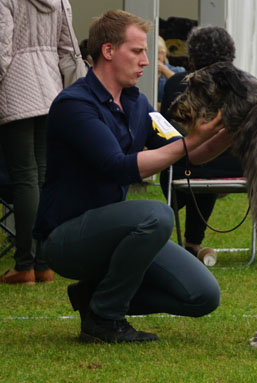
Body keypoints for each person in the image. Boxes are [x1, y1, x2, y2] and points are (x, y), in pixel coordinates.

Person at [33, 10, 231, 343]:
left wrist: (230, 132)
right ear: (108, 51)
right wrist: (192, 139)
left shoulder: (138, 104)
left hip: (115, 233)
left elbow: (189, 155)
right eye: (137, 51)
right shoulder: (74, 104)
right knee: (156, 214)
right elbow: (117, 166)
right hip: (65, 239)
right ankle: (104, 317)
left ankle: (93, 297)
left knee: (203, 294)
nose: (145, 61)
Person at [0, 0, 76, 284]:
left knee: (24, 179)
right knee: (43, 177)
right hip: (52, 89)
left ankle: (24, 265)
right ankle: (44, 263)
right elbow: (69, 49)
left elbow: (1, 51)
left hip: (16, 88)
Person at [159, 26, 243, 262]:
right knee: (205, 173)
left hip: (183, 166)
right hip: (234, 168)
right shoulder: (243, 85)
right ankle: (193, 244)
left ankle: (180, 242)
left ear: (193, 54)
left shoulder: (176, 82)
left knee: (191, 169)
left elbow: (168, 131)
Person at [157, 35, 185, 108]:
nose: (156, 56)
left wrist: (164, 69)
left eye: (159, 52)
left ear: (165, 53)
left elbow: (183, 87)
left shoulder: (178, 71)